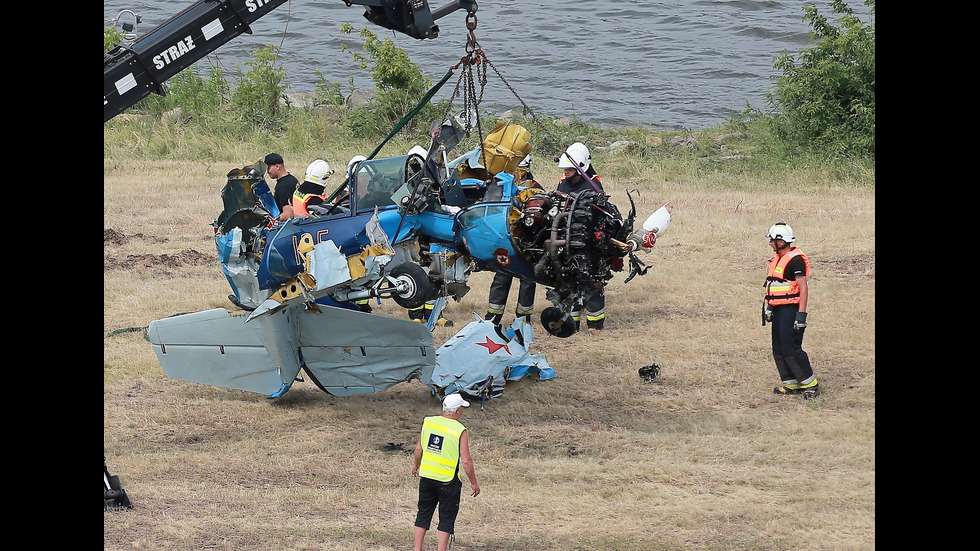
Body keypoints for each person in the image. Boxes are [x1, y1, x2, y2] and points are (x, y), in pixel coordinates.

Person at [412, 393, 480, 551]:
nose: (462, 410)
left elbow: (418, 449)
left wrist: (416, 466)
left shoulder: (429, 422)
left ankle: (417, 548)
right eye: (462, 408)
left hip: (427, 476)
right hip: (448, 480)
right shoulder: (460, 430)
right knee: (447, 517)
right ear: (457, 410)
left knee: (423, 513)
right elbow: (467, 461)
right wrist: (474, 483)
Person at [763, 222, 819, 399]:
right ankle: (791, 383)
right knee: (778, 347)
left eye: (772, 240)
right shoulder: (776, 259)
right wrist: (770, 307)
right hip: (779, 309)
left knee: (791, 347)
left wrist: (801, 315)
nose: (770, 243)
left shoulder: (795, 259)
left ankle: (810, 384)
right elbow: (776, 285)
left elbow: (803, 288)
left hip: (791, 309)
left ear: (781, 241)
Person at [556, 142, 608, 333]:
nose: (566, 172)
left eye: (570, 169)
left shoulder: (593, 185)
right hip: (566, 239)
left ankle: (595, 325)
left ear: (581, 167)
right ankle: (571, 323)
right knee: (568, 280)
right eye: (565, 169)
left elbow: (601, 213)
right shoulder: (563, 182)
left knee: (590, 280)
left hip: (587, 241)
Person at [486, 155, 542, 325]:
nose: (518, 173)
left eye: (521, 169)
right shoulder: (504, 186)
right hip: (507, 240)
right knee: (501, 277)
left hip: (527, 242)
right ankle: (492, 317)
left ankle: (523, 318)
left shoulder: (536, 189)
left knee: (527, 280)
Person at [264, 153, 298, 221]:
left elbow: (288, 214)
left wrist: (271, 221)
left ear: (277, 166)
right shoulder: (292, 179)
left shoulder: (283, 187)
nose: (267, 172)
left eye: (269, 168)